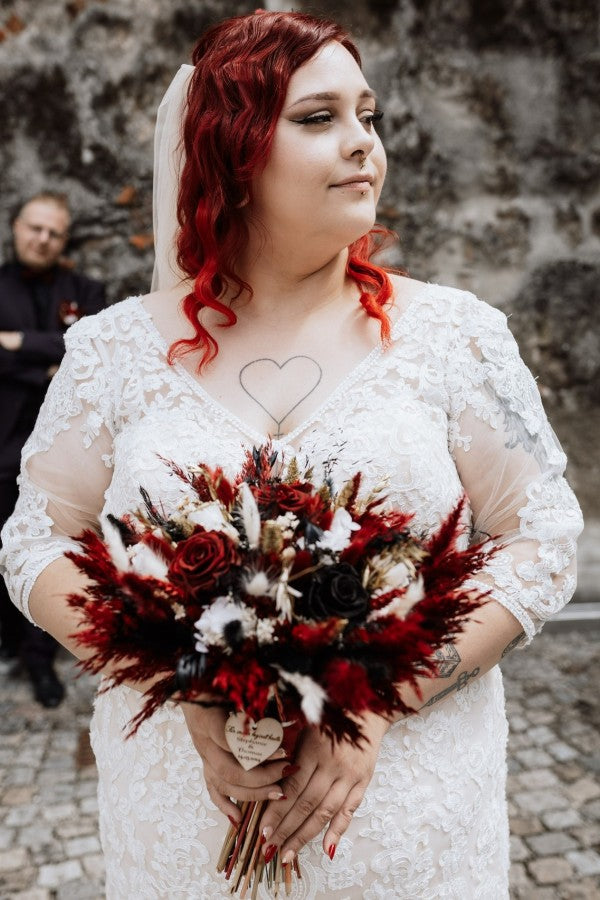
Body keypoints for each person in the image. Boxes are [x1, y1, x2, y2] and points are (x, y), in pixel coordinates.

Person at [0, 11, 582, 898]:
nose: (363, 143)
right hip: (185, 825)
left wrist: (380, 694)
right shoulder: (113, 353)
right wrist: (176, 676)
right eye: (319, 118)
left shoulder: (456, 336)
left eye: (369, 116)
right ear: (228, 153)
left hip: (403, 826)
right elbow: (36, 540)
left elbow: (540, 539)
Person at [0, 191, 106, 707]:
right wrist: (49, 362)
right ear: (16, 227)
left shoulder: (87, 291)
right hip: (4, 444)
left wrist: (16, 343)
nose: (42, 239)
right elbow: (63, 354)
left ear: (65, 240)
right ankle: (15, 644)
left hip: (63, 453)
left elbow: (90, 354)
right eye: (34, 228)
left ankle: (42, 657)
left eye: (53, 232)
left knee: (55, 547)